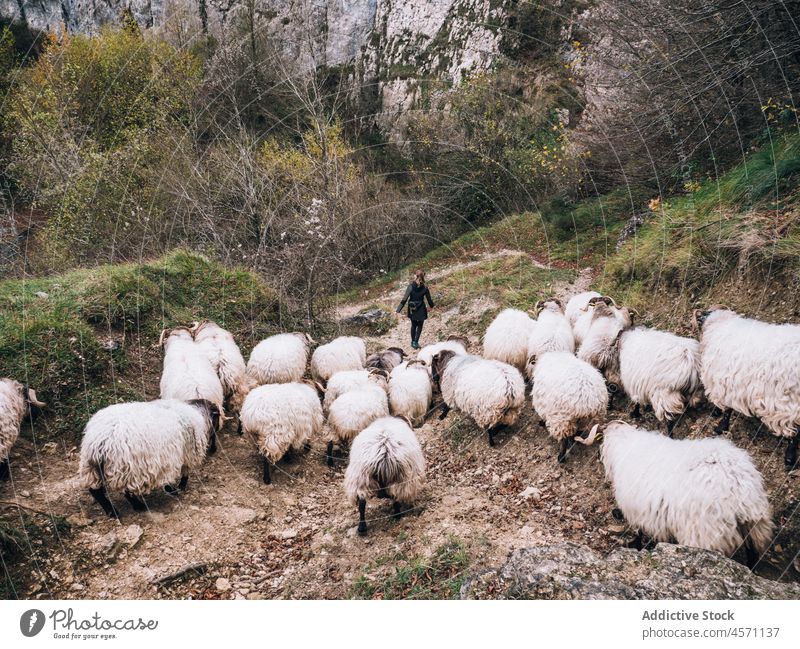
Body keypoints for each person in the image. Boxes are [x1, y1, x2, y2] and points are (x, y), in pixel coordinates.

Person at [396, 269, 434, 349]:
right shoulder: (425, 288)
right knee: (420, 325)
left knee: (413, 325)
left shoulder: (410, 286)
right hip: (421, 308)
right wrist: (431, 306)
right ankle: (415, 342)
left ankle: (412, 342)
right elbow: (429, 299)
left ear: (415, 276)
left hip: (412, 308)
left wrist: (398, 310)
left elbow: (404, 299)